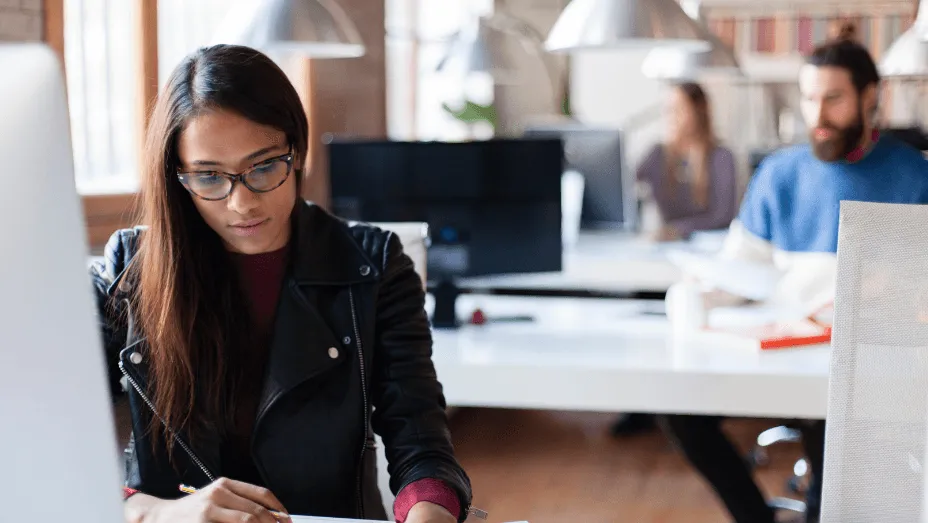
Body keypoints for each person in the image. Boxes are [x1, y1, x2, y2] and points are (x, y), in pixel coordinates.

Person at [90, 45, 472, 523]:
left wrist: (428, 509)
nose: (241, 204)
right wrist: (157, 513)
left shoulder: (374, 265)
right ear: (176, 179)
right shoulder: (126, 271)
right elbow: (55, 444)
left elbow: (419, 438)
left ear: (297, 151)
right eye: (209, 177)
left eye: (264, 167)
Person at [658, 25, 928, 523]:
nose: (818, 117)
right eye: (808, 99)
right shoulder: (779, 173)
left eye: (833, 99)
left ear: (871, 97)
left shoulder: (915, 177)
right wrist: (701, 291)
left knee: (830, 481)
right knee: (681, 412)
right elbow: (742, 272)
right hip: (784, 350)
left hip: (861, 367)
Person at [636, 81, 739, 242]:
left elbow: (723, 216)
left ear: (698, 112)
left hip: (709, 245)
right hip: (667, 247)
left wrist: (678, 230)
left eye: (679, 109)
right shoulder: (657, 155)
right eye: (668, 110)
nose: (672, 116)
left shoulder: (721, 157)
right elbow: (627, 188)